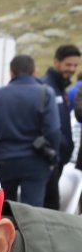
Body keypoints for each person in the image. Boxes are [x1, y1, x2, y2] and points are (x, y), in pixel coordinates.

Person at [0, 54, 63, 208]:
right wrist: (52, 157)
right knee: (32, 210)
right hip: (36, 160)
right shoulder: (46, 93)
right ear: (34, 71)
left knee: (5, 208)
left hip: (6, 160)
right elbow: (53, 131)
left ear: (11, 72)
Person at [42, 43, 79, 208]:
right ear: (56, 62)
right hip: (49, 160)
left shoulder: (61, 88)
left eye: (75, 65)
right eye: (68, 64)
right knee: (49, 206)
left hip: (58, 159)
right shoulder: (46, 87)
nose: (72, 69)